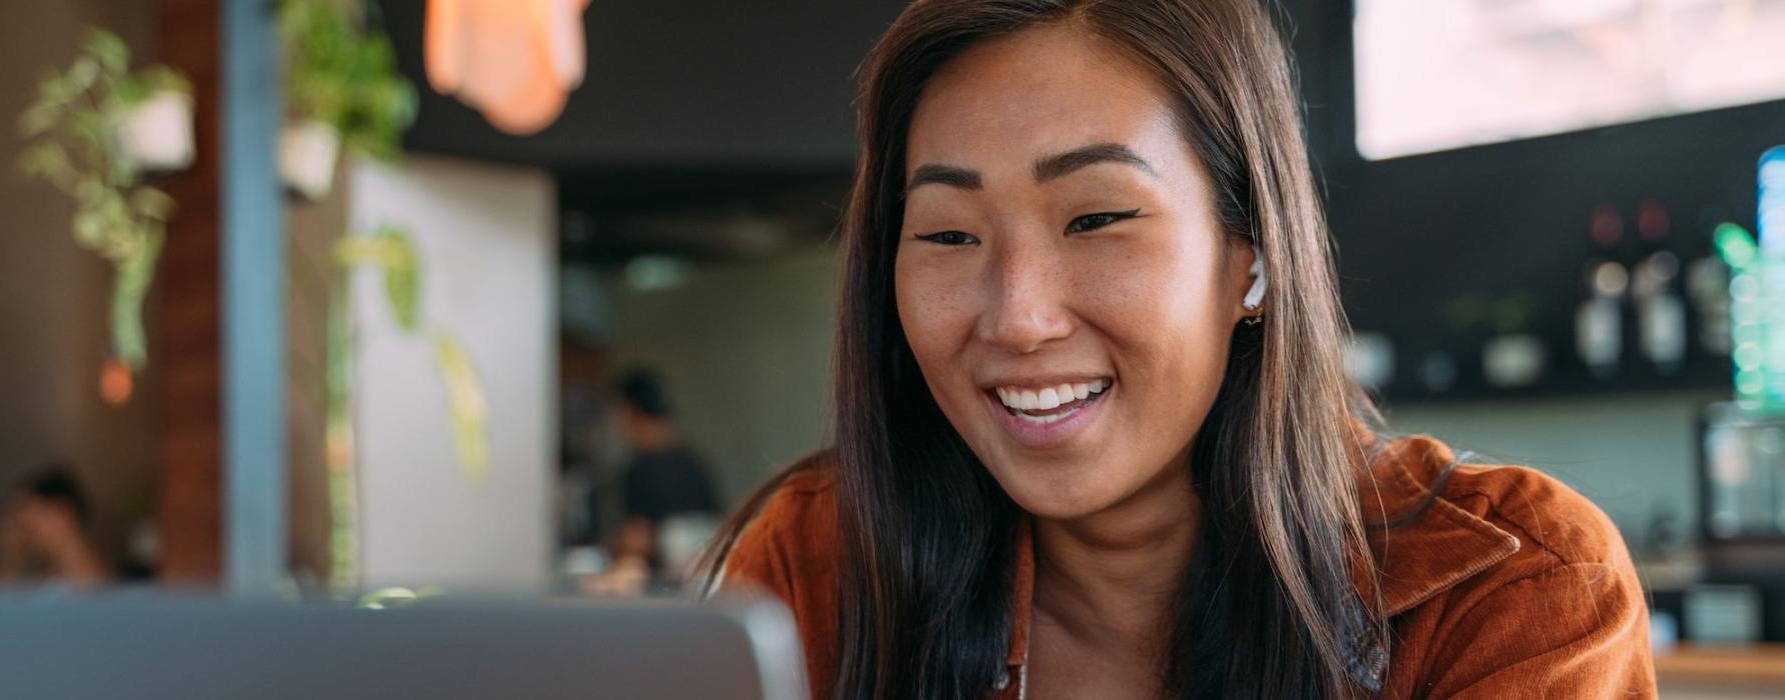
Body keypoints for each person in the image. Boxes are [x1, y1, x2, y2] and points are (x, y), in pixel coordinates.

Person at [701, 1, 1655, 698]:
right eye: (949, 234)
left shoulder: (1512, 589)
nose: (1018, 319)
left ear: (1251, 256)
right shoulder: (816, 567)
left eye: (1098, 218)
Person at [608, 369, 720, 581]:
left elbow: (637, 541)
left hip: (661, 589)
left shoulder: (641, 470)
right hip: (701, 588)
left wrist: (608, 549)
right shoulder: (696, 465)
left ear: (627, 412)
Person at [0, 465, 109, 588]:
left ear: (63, 512)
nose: (20, 532)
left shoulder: (106, 583)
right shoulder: (40, 584)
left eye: (29, 524)